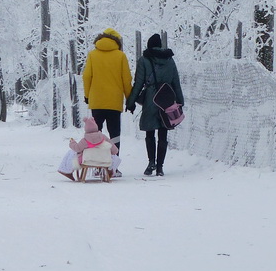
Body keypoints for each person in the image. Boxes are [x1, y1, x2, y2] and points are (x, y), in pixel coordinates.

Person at [127, 33, 184, 176]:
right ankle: (160, 167)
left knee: (150, 132)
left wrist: (130, 102)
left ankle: (151, 162)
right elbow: (176, 82)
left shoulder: (144, 60)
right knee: (163, 131)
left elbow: (138, 84)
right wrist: (180, 101)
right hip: (167, 98)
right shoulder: (170, 60)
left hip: (151, 99)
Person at [82, 27, 132, 156]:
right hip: (114, 102)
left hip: (97, 101)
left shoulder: (92, 55)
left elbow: (87, 76)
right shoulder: (120, 56)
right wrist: (130, 99)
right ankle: (113, 165)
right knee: (114, 134)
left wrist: (87, 95)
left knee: (94, 134)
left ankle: (97, 163)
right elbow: (126, 79)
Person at [57, 116, 120, 181]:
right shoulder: (104, 137)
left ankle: (66, 170)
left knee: (71, 152)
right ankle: (110, 170)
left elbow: (77, 148)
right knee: (114, 157)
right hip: (104, 159)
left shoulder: (85, 140)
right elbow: (115, 151)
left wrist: (72, 143)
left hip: (87, 160)